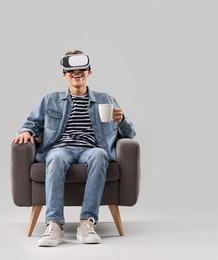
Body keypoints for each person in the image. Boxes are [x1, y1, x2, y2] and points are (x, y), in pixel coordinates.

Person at [11, 50, 136, 247]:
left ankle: (87, 222)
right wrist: (26, 131)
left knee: (100, 155)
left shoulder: (106, 99)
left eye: (81, 69)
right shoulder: (50, 100)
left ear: (89, 72)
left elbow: (129, 134)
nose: (76, 72)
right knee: (56, 157)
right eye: (71, 70)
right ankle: (54, 224)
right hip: (62, 148)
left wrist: (121, 121)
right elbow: (30, 123)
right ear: (65, 75)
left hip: (92, 148)